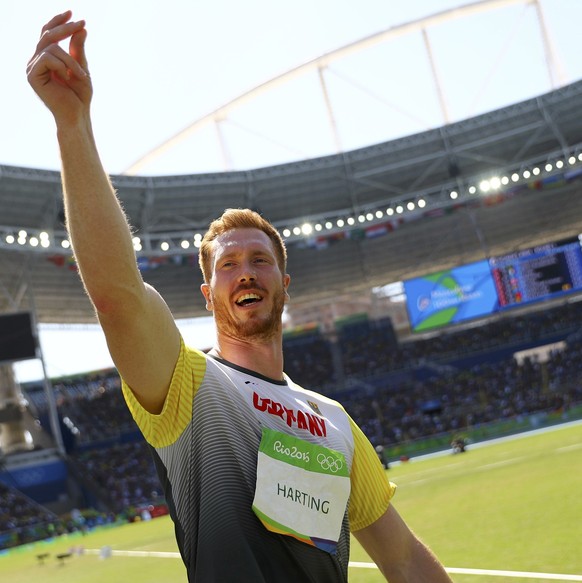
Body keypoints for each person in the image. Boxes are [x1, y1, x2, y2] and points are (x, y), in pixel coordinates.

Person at [27, 12, 454, 583]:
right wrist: (72, 125)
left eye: (260, 261)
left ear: (284, 282)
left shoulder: (335, 423)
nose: (245, 273)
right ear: (208, 294)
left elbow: (401, 559)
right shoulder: (187, 388)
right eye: (228, 265)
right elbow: (118, 294)